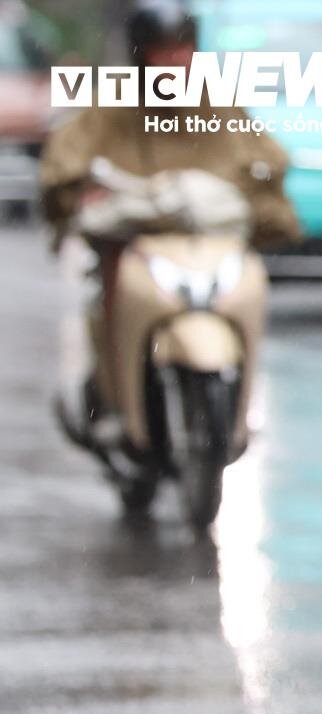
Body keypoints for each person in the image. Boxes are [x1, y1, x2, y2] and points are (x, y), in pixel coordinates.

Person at [39, 0, 300, 445]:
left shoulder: (218, 103)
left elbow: (264, 159)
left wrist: (256, 194)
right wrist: (83, 190)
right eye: (162, 50)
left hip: (203, 244)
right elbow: (66, 162)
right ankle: (113, 394)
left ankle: (235, 409)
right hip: (134, 243)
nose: (174, 61)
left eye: (181, 49)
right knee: (113, 285)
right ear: (142, 54)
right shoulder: (112, 105)